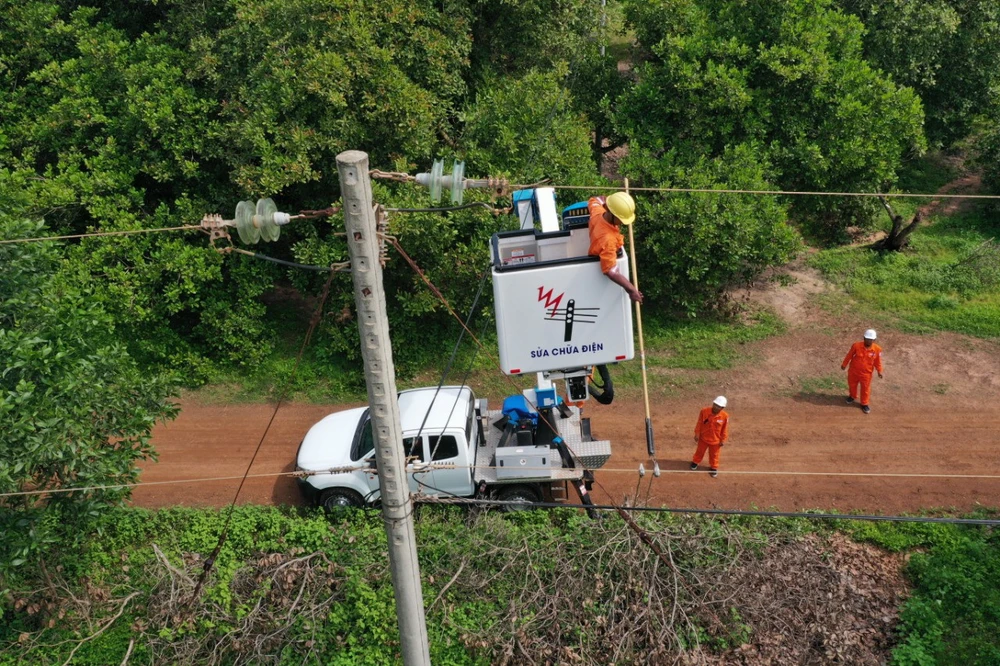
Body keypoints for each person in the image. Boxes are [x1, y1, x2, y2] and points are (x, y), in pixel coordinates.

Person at [588, 193, 643, 303]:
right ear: (611, 214)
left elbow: (596, 199)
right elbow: (611, 271)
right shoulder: (608, 240)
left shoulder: (598, 211)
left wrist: (613, 202)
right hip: (598, 260)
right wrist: (631, 290)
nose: (623, 222)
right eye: (621, 219)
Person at [841, 329, 884, 414]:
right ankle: (852, 396)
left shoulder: (877, 349)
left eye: (870, 339)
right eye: (867, 339)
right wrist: (844, 364)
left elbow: (877, 361)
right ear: (864, 338)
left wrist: (879, 371)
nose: (868, 341)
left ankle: (864, 403)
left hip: (866, 374)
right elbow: (849, 355)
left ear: (874, 340)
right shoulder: (856, 346)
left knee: (865, 389)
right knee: (852, 385)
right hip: (853, 371)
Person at [689, 396, 729, 478]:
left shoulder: (725, 416)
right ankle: (695, 462)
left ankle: (714, 467)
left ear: (722, 408)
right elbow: (699, 422)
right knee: (699, 451)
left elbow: (724, 429)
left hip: (716, 441)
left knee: (714, 455)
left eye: (718, 406)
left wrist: (723, 439)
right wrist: (697, 433)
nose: (716, 407)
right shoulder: (704, 411)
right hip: (703, 438)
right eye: (715, 404)